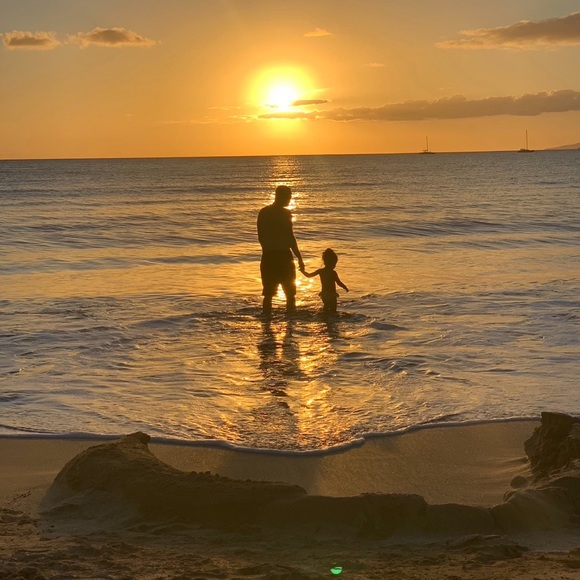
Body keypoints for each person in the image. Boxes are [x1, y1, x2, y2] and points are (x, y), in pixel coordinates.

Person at [257, 185, 305, 315]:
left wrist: (268, 249)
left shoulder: (263, 212)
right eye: (288, 197)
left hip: (268, 256)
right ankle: (290, 320)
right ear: (280, 197)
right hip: (283, 256)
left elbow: (260, 236)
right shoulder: (285, 213)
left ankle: (266, 321)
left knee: (268, 294)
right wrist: (299, 257)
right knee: (290, 294)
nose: (290, 199)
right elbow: (290, 237)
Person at [301, 248, 348, 314]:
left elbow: (309, 275)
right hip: (332, 294)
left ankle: (325, 317)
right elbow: (338, 282)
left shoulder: (321, 271)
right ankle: (331, 318)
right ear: (331, 263)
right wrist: (345, 287)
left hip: (324, 295)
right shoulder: (333, 272)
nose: (334, 266)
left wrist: (302, 271)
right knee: (333, 310)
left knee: (326, 308)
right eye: (334, 264)